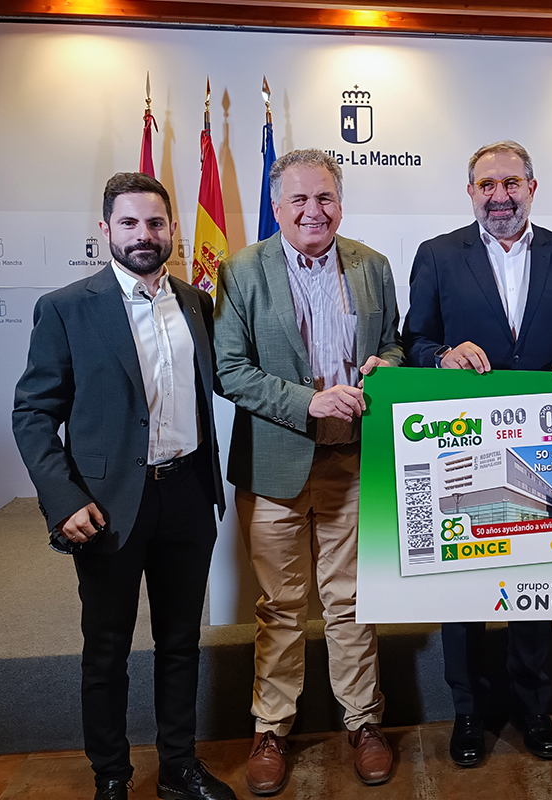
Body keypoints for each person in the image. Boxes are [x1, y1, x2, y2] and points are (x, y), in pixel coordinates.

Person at [12, 173, 235, 800]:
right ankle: (110, 775)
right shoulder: (66, 307)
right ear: (106, 229)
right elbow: (31, 414)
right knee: (106, 649)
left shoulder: (195, 301)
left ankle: (178, 767)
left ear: (172, 230)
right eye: (130, 224)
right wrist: (63, 500)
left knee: (181, 642)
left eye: (156, 224)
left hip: (188, 496)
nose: (145, 235)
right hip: (107, 507)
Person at [403, 139, 552, 766]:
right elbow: (416, 342)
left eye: (511, 183)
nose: (500, 196)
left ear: (532, 188)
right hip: (463, 447)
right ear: (470, 193)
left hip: (544, 452)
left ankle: (532, 707)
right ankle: (467, 713)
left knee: (532, 588)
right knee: (465, 587)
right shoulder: (437, 255)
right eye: (487, 185)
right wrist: (443, 356)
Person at [213, 149, 402, 791]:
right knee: (282, 606)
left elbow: (393, 345)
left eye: (324, 198)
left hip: (352, 461)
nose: (313, 210)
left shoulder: (372, 267)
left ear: (339, 203)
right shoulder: (241, 271)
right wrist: (308, 401)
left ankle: (363, 721)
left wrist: (386, 368)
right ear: (277, 206)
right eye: (298, 199)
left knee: (353, 604)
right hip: (273, 467)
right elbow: (229, 370)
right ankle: (271, 729)